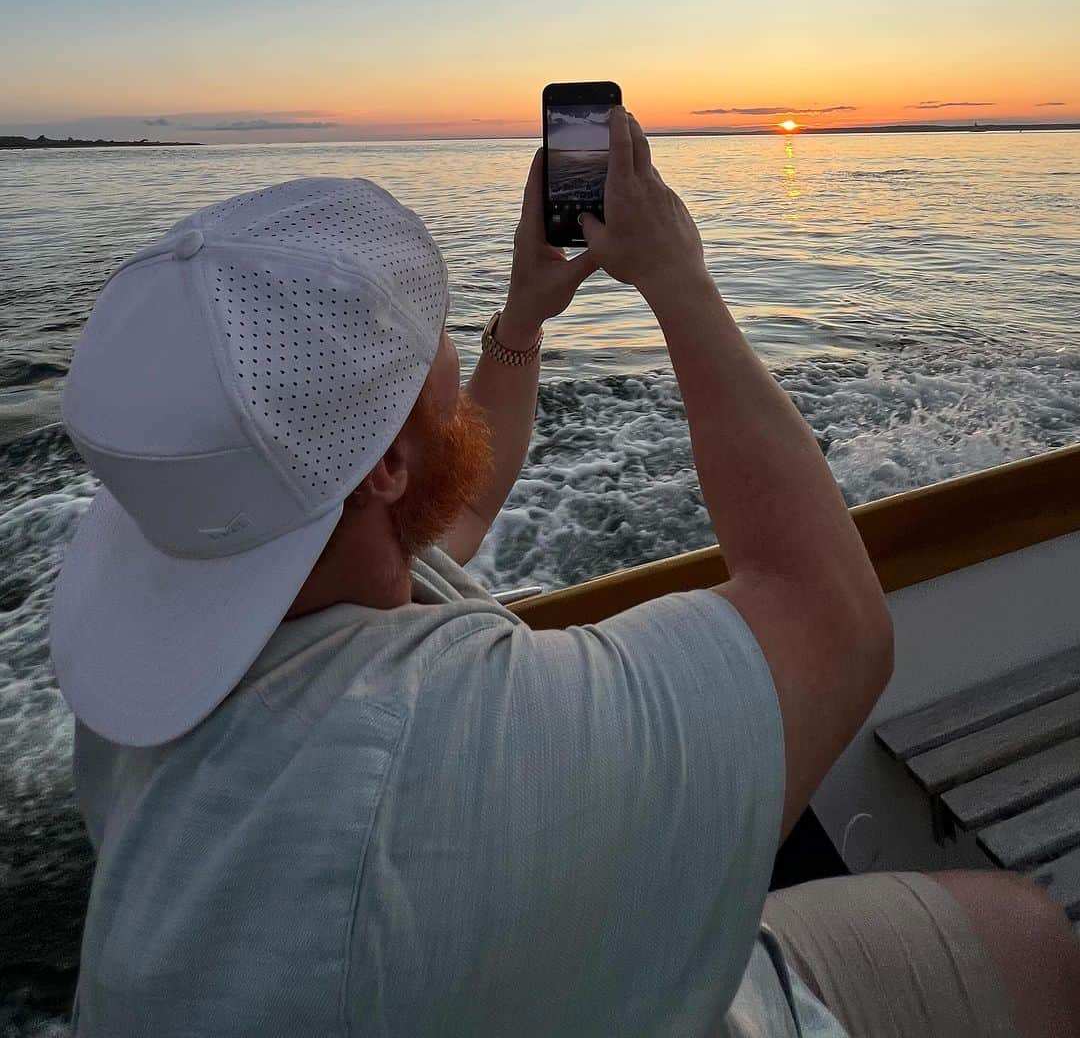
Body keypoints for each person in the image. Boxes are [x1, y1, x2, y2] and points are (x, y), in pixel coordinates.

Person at [50, 112, 1080, 1036]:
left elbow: (444, 502)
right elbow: (837, 624)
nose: (450, 355)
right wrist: (678, 276)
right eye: (429, 343)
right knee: (1028, 936)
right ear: (382, 466)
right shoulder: (462, 747)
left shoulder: (186, 617)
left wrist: (525, 314)